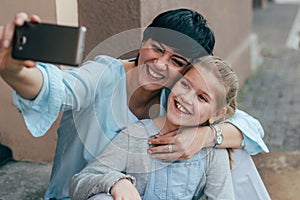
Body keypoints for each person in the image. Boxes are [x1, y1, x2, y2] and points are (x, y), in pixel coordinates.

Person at [0, 9, 269, 200]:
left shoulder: (177, 97)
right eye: (157, 48)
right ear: (143, 41)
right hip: (90, 191)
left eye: (177, 62)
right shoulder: (102, 75)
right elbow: (56, 86)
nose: (160, 65)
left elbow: (249, 126)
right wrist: (14, 71)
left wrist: (205, 136)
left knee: (236, 153)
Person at [70, 55, 238, 200]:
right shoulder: (136, 136)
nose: (186, 98)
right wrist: (116, 182)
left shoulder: (212, 152)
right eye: (185, 85)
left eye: (202, 97)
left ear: (216, 114)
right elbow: (81, 180)